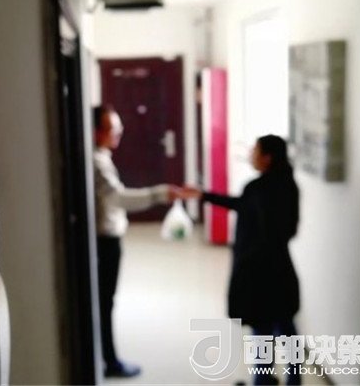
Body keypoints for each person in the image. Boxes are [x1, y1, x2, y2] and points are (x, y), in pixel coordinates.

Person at [187, 135, 301, 385]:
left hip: (259, 272)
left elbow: (255, 220)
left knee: (262, 330)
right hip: (280, 268)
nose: (251, 155)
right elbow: (248, 208)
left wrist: (245, 266)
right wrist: (204, 196)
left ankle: (262, 381)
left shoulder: (259, 188)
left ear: (267, 158)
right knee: (284, 325)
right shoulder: (287, 185)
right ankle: (293, 380)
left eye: (255, 151)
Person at [92, 104, 192, 378]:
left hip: (107, 237)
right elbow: (118, 198)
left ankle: (106, 358)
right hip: (104, 241)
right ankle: (110, 361)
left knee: (104, 301)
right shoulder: (96, 162)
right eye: (113, 128)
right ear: (96, 131)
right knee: (104, 302)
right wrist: (159, 194)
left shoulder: (101, 156)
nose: (119, 132)